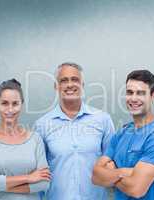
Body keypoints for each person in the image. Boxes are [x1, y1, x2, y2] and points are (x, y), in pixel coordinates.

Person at [34, 62, 115, 200]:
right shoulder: (42, 125)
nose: (70, 85)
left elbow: (113, 163)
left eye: (75, 79)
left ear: (82, 85)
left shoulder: (103, 120)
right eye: (64, 80)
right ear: (56, 86)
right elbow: (39, 174)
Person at [92, 70, 154, 200]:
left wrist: (111, 172)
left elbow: (136, 189)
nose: (133, 98)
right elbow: (96, 176)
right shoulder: (122, 133)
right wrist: (126, 172)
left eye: (140, 93)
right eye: (130, 92)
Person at [0, 79, 50, 200]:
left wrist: (0, 181)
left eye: (15, 103)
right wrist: (28, 178)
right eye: (4, 103)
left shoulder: (35, 139)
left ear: (21, 104)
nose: (10, 109)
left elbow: (44, 183)